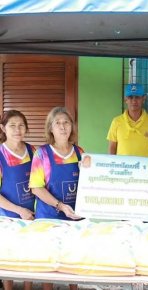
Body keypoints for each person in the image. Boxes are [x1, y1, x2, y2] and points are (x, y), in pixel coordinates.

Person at [29, 107, 83, 290]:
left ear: (72, 127)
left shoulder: (80, 152)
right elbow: (36, 188)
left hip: (75, 216)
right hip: (48, 216)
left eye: (66, 122)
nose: (62, 127)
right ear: (50, 128)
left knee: (72, 259)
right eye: (57, 123)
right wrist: (61, 205)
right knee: (49, 261)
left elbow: (89, 182)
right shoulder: (41, 154)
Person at [0, 110, 35, 290]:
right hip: (6, 216)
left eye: (21, 125)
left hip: (31, 214)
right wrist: (18, 210)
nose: (17, 130)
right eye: (12, 125)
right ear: (3, 128)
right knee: (9, 255)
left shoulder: (32, 150)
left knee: (27, 255)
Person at [107, 83, 148, 157]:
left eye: (137, 97)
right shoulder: (116, 122)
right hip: (122, 167)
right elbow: (112, 147)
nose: (134, 101)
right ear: (126, 99)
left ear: (143, 99)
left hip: (145, 167)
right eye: (130, 97)